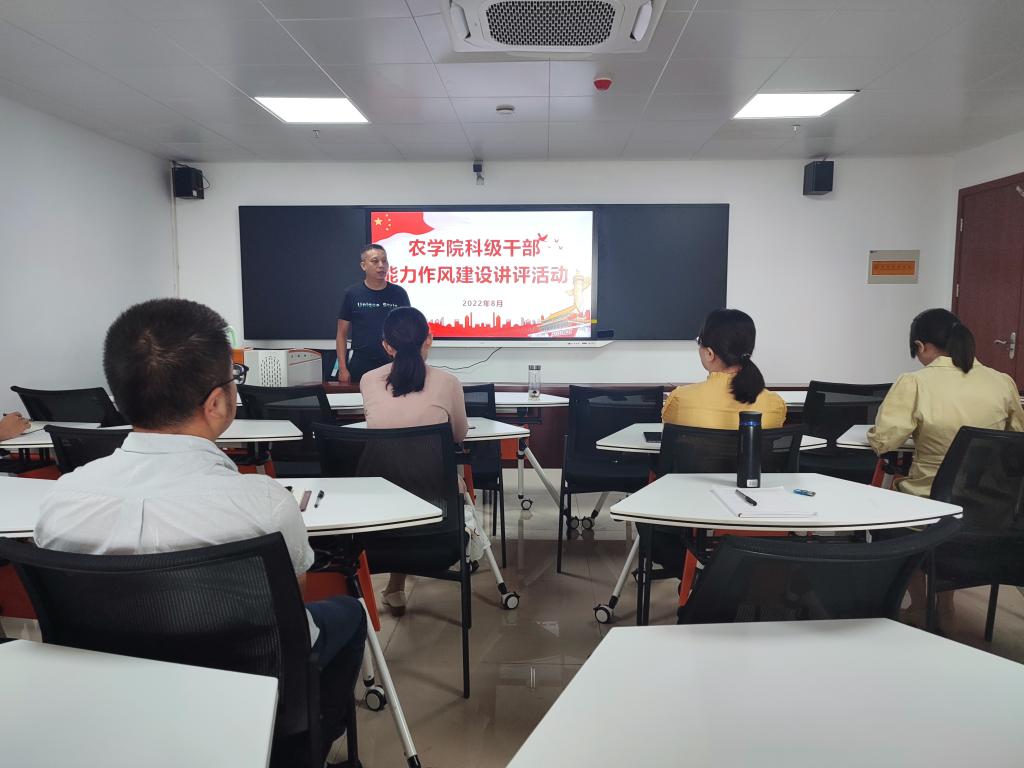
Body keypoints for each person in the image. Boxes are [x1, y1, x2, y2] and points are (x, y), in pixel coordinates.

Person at [35, 298, 365, 766]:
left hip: (117, 703)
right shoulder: (265, 505)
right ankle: (303, 750)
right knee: (349, 613)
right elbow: (290, 616)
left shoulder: (61, 502)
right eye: (234, 379)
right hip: (242, 692)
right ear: (216, 403)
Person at [360, 307, 480, 615]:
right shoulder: (447, 382)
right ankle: (397, 586)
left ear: (387, 346)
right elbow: (459, 435)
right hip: (436, 505)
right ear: (429, 339)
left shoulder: (368, 381)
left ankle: (395, 587)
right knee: (435, 480)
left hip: (379, 511)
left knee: (402, 476)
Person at [869, 308, 1024, 497]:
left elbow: (884, 442)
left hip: (929, 500)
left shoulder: (914, 382)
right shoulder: (1003, 382)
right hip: (989, 502)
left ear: (920, 346)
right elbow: (1017, 438)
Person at [663, 308, 786, 428]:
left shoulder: (680, 400)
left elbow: (669, 436)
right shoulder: (775, 404)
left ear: (709, 354)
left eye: (699, 341)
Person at [336, 244, 410, 384]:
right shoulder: (352, 294)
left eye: (384, 261)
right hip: (361, 363)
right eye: (375, 261)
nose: (381, 265)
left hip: (392, 363)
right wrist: (342, 368)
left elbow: (408, 330)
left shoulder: (399, 293)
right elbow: (341, 333)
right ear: (363, 266)